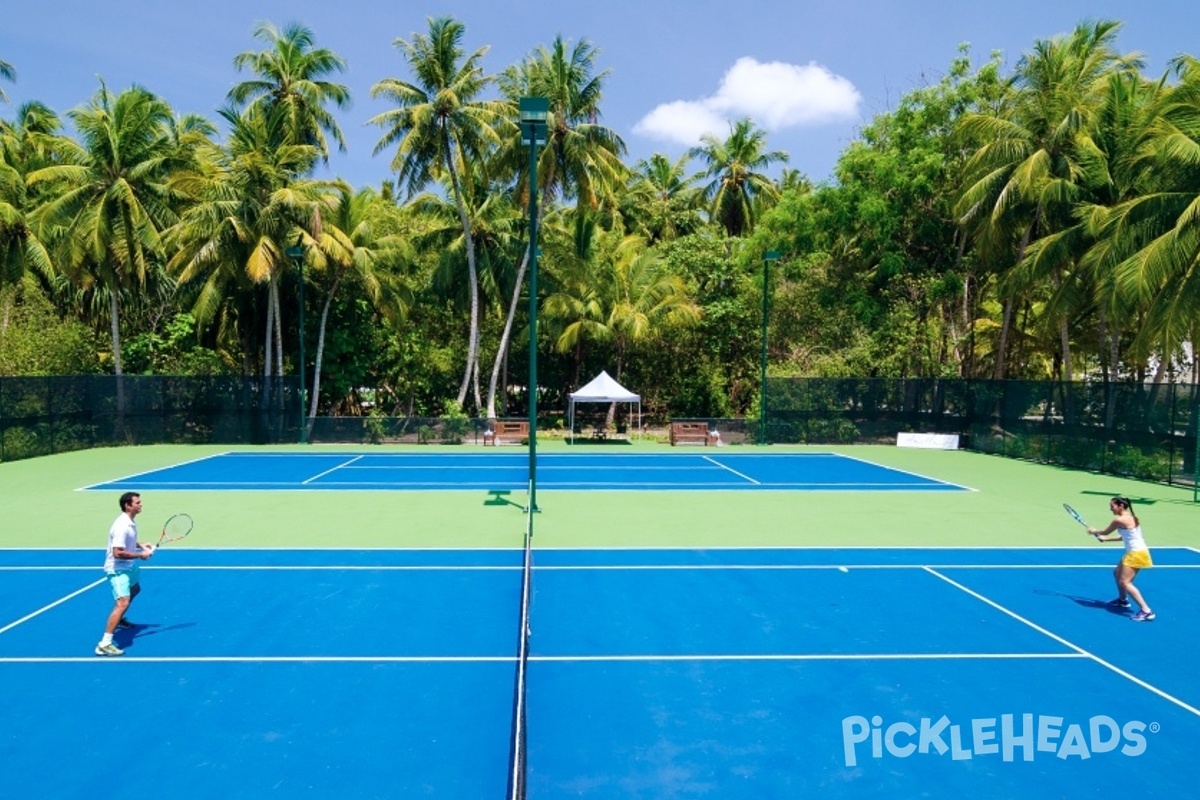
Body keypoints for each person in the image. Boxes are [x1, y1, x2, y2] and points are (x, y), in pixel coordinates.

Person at [96, 491, 155, 656]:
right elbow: (117, 552)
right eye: (137, 502)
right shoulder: (122, 526)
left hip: (128, 567)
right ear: (128, 505)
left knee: (135, 589)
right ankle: (104, 643)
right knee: (122, 603)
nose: (141, 504)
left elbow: (127, 542)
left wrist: (140, 544)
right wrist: (140, 555)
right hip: (118, 569)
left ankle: (119, 620)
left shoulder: (129, 522)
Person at [1088, 496, 1155, 622]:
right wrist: (1105, 539)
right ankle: (1123, 601)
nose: (1110, 509)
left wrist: (1093, 531)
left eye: (1112, 506)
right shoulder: (1131, 517)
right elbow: (1122, 537)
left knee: (1125, 582)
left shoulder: (1119, 520)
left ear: (1121, 506)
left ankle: (1146, 611)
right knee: (1116, 573)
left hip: (1136, 553)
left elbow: (1105, 531)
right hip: (1135, 552)